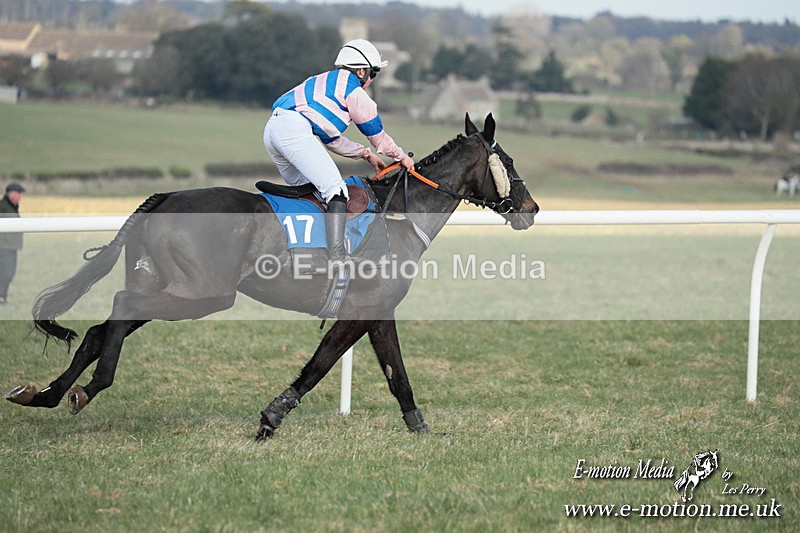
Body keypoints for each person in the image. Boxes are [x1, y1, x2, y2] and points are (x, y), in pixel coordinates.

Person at [263, 39, 415, 264]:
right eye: (373, 73)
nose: (371, 80)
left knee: (311, 194)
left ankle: (305, 252)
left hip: (273, 130)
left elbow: (331, 139)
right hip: (293, 131)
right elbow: (377, 136)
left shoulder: (322, 81)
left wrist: (365, 154)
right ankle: (337, 258)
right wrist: (401, 157)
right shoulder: (355, 92)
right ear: (362, 71)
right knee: (337, 192)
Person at [0, 182, 25, 304]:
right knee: (5, 273)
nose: (20, 196)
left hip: (11, 247)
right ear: (11, 194)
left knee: (9, 273)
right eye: (18, 193)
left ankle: (3, 297)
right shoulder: (3, 207)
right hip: (4, 246)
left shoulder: (12, 207)